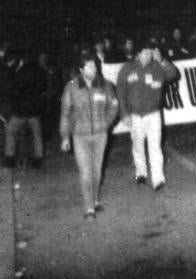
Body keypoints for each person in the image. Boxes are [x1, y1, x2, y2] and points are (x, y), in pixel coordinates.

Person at [59, 53, 118, 220]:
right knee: (85, 171)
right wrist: (65, 137)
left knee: (97, 170)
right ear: (81, 69)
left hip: (100, 135)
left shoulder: (106, 85)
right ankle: (89, 208)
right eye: (90, 66)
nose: (94, 69)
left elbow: (114, 106)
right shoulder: (71, 87)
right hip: (80, 136)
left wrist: (105, 124)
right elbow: (65, 113)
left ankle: (95, 198)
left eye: (95, 65)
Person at [116, 42, 179, 190]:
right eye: (145, 53)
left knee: (155, 146)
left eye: (150, 53)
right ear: (138, 54)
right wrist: (124, 113)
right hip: (136, 115)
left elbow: (174, 74)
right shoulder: (127, 68)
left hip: (153, 114)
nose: (149, 55)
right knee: (138, 145)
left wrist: (162, 60)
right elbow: (121, 92)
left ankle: (158, 179)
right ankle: (141, 173)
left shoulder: (157, 67)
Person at [2, 50, 47, 168]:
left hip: (20, 109)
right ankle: (39, 158)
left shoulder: (19, 73)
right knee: (37, 134)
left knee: (10, 132)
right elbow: (43, 87)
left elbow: (14, 90)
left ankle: (10, 157)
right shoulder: (39, 71)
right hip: (34, 109)